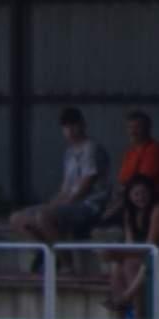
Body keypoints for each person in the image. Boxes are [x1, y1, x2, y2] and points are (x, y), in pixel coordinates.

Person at [11, 106, 111, 253]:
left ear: (82, 124)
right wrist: (54, 203)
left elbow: (85, 187)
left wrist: (56, 207)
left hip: (89, 205)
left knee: (43, 217)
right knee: (17, 218)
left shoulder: (92, 149)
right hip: (69, 203)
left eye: (73, 125)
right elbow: (65, 188)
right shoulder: (69, 152)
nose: (70, 130)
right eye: (66, 126)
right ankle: (46, 255)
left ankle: (65, 264)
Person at [104, 174, 159, 319]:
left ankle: (137, 315)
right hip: (142, 255)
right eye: (136, 194)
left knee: (131, 264)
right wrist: (118, 254)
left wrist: (121, 253)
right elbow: (129, 244)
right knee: (116, 265)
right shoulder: (129, 211)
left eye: (144, 193)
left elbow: (151, 245)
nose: (140, 197)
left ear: (151, 193)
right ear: (129, 195)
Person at [116, 110, 159, 204]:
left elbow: (143, 181)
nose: (132, 131)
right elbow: (122, 179)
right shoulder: (130, 152)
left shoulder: (155, 149)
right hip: (131, 198)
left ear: (148, 128)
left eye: (137, 127)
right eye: (130, 127)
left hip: (150, 199)